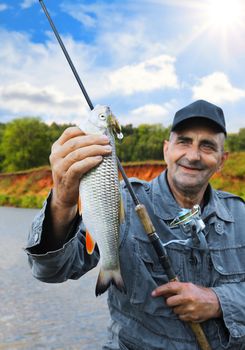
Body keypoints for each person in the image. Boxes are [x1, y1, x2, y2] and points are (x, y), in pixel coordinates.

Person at [25, 99, 245, 350]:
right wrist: (62, 201)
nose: (193, 155)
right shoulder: (119, 200)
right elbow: (52, 271)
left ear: (222, 159)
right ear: (166, 149)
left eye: (207, 146)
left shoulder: (242, 215)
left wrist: (218, 301)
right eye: (184, 141)